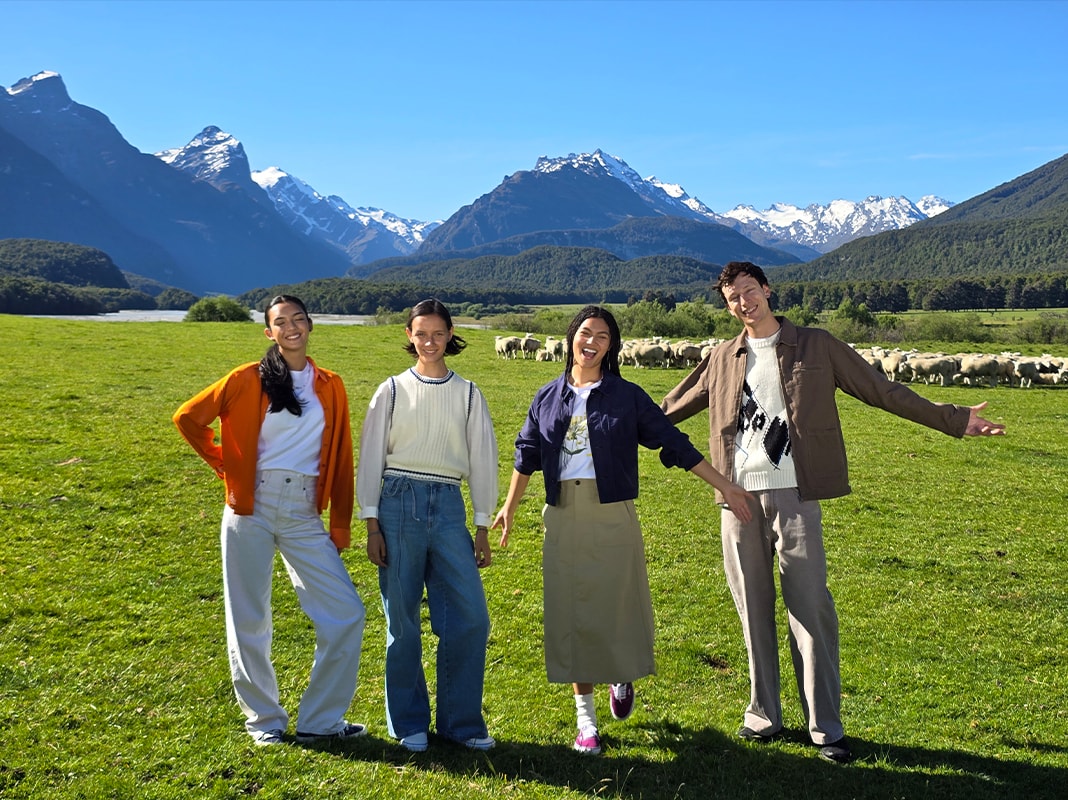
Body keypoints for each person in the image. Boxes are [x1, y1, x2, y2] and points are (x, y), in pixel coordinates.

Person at [661, 262, 1006, 764]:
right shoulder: (721, 357)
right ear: (727, 304)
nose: (744, 303)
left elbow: (883, 391)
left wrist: (953, 421)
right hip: (736, 499)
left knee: (810, 608)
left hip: (798, 494)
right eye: (733, 297)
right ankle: (763, 715)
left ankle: (825, 728)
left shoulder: (817, 345)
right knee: (751, 609)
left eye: (750, 292)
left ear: (767, 291)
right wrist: (603, 421)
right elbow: (666, 410)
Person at [492, 305, 755, 756]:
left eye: (602, 336)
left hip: (612, 512)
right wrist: (509, 508)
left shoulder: (626, 395)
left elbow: (673, 443)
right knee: (572, 614)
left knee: (616, 604)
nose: (591, 342)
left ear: (611, 346)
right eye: (585, 333)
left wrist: (725, 485)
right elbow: (526, 454)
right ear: (571, 337)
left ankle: (620, 672)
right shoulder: (547, 396)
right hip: (563, 514)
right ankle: (586, 721)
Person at [173, 294, 366, 747]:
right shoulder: (245, 379)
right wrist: (228, 467)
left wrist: (340, 524)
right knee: (249, 617)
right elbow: (187, 419)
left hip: (302, 511)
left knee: (346, 613)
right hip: (249, 508)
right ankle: (264, 722)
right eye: (281, 322)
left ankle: (320, 721)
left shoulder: (330, 384)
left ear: (310, 325)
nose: (292, 327)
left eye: (298, 319)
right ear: (269, 332)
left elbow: (340, 457)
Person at [356, 298, 498, 753]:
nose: (430, 342)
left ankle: (461, 723)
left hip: (450, 505)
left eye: (439, 333)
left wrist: (481, 524)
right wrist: (371, 523)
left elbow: (483, 461)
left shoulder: (469, 393)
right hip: (397, 504)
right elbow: (371, 459)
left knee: (470, 617)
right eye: (422, 333)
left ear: (451, 334)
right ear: (409, 335)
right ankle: (409, 722)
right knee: (403, 621)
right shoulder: (392, 390)